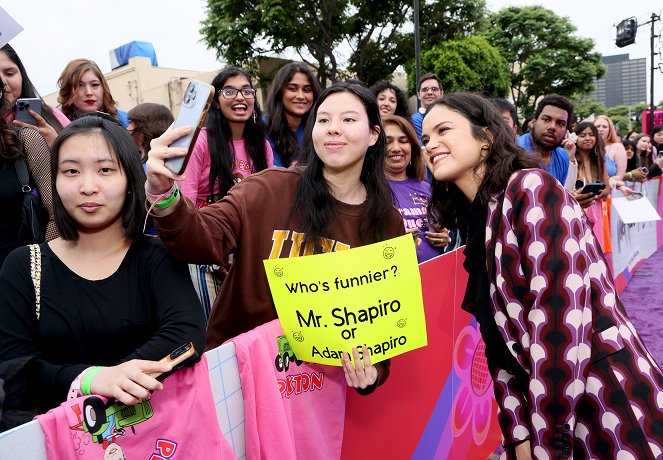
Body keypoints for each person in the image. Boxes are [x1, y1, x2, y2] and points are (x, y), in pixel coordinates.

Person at [422, 91, 663, 459]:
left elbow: (560, 326)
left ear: (486, 137)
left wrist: (546, 440)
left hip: (605, 403)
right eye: (425, 138)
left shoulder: (531, 188)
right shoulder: (481, 223)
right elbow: (500, 349)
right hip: (546, 417)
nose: (431, 144)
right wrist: (518, 438)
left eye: (443, 130)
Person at [145, 82, 406, 393]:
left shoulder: (387, 223)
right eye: (323, 120)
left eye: (348, 120)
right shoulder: (266, 189)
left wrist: (371, 371)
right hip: (241, 380)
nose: (333, 129)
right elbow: (198, 238)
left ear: (374, 135)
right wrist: (163, 193)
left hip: (321, 390)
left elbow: (383, 329)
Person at [0, 114, 206, 421]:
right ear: (54, 181)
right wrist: (92, 378)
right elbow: (15, 368)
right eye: (70, 171)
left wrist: (117, 376)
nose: (87, 186)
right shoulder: (24, 266)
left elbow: (186, 335)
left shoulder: (156, 256)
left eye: (105, 170)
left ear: (130, 180)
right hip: (59, 441)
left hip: (158, 435)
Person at [382, 114, 448, 263]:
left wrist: (444, 238)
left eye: (404, 141)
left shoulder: (427, 188)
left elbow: (438, 229)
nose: (396, 148)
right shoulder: (368, 190)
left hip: (435, 275)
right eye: (387, 142)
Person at [1, 44, 68, 147]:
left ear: (22, 75)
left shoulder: (52, 116)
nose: (3, 81)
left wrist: (57, 145)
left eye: (9, 73)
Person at [264, 62, 321, 167]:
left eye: (307, 90)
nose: (301, 96)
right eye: (292, 89)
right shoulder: (261, 127)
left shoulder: (318, 129)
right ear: (280, 92)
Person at [516, 95, 575, 187]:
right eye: (546, 119)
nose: (552, 127)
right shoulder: (514, 149)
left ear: (566, 130)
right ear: (534, 122)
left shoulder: (563, 156)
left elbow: (559, 195)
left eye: (560, 123)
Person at [57, 59, 129, 127]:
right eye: (80, 86)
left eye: (95, 85)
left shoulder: (127, 122)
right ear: (68, 90)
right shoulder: (57, 124)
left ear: (103, 88)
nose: (89, 92)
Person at [573, 121, 611, 209]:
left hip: (595, 207)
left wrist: (595, 194)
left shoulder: (599, 160)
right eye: (582, 136)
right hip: (577, 207)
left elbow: (607, 189)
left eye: (591, 135)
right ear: (575, 138)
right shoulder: (571, 160)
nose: (588, 138)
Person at [594, 115, 627, 182]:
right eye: (598, 126)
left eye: (604, 127)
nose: (601, 129)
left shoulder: (617, 147)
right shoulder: (588, 147)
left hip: (611, 190)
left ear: (610, 129)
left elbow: (620, 176)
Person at [411, 74, 443, 141]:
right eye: (425, 89)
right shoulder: (413, 121)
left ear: (441, 93)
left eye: (434, 89)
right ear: (418, 95)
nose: (429, 92)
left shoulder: (451, 116)